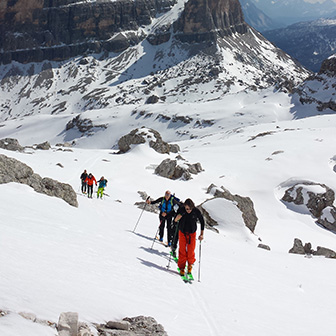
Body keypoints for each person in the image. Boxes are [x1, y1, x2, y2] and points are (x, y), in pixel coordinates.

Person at [174, 198, 204, 277]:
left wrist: (201, 234)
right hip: (182, 232)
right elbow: (175, 220)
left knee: (191, 250)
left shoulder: (196, 211)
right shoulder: (181, 210)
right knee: (182, 250)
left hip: (192, 233)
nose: (188, 210)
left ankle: (190, 265)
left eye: (190, 208)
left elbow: (202, 221)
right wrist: (178, 217)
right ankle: (182, 267)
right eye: (187, 208)